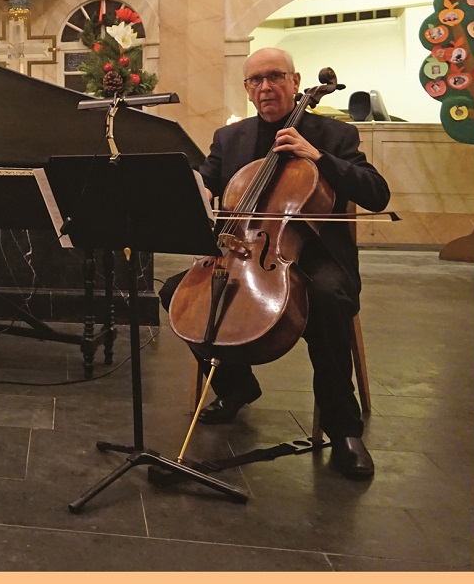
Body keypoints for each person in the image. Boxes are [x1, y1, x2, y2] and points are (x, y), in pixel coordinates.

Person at [159, 47, 390, 479]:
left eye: (275, 77)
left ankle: (343, 430)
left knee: (326, 299)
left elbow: (377, 193)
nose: (266, 87)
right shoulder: (231, 139)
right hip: (248, 252)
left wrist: (317, 157)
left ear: (295, 81)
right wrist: (195, 188)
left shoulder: (333, 135)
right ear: (247, 90)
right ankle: (236, 384)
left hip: (317, 256)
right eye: (256, 81)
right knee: (178, 294)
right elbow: (205, 180)